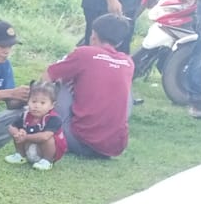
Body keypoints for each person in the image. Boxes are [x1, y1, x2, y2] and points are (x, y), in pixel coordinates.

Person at [46, 13, 135, 158]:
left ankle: (37, 121)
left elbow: (47, 76)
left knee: (58, 83)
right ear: (119, 42)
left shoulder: (84, 53)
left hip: (79, 141)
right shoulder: (128, 62)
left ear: (93, 35)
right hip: (114, 147)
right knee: (124, 89)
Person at [4, 81, 65, 169]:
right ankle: (20, 155)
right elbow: (11, 127)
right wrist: (17, 134)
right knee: (19, 131)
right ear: (28, 101)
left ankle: (47, 161)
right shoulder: (25, 115)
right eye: (33, 101)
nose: (36, 106)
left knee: (49, 139)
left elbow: (45, 137)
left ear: (52, 105)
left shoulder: (54, 118)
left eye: (42, 103)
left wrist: (25, 137)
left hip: (45, 151)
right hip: (29, 146)